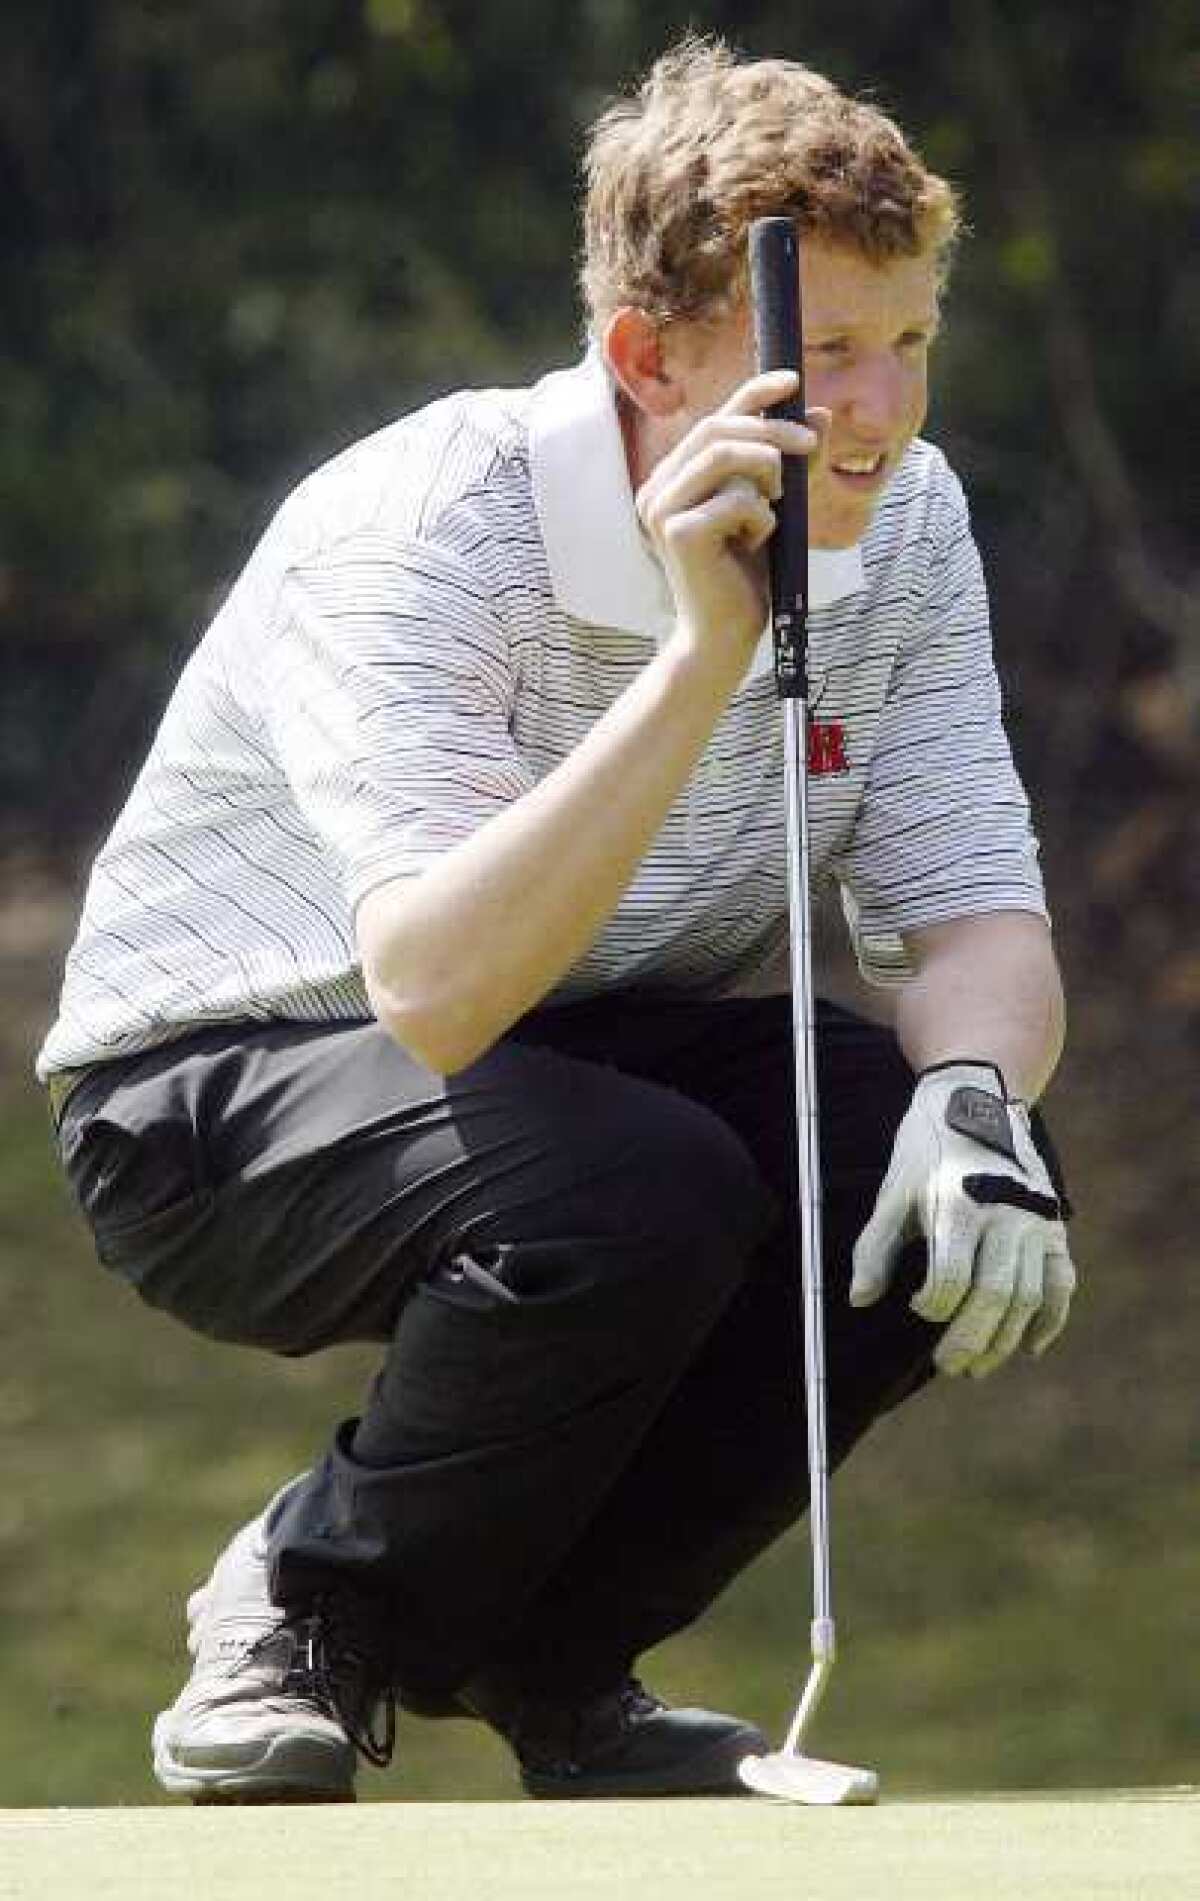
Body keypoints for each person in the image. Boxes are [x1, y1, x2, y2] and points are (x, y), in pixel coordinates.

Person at [39, 36, 1076, 1804]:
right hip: (221, 1088)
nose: (884, 411)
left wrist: (982, 1109)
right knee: (643, 1184)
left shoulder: (910, 521)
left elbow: (974, 906)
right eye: (822, 354)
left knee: (916, 1171)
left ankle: (553, 1650)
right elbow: (438, 988)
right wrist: (701, 656)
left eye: (908, 344)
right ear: (642, 357)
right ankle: (300, 1595)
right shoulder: (423, 525)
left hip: (585, 1053)